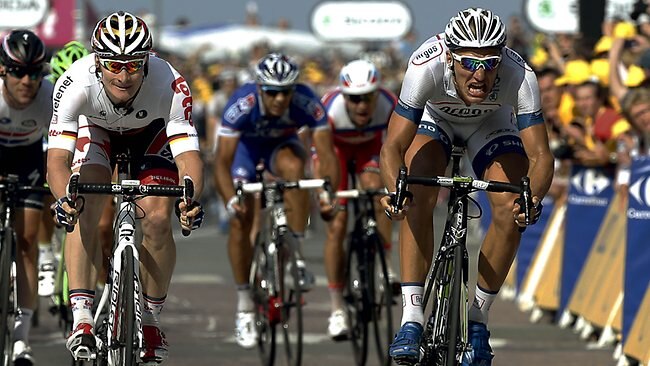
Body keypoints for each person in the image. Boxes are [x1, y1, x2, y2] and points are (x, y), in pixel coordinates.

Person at [379, 8, 554, 366]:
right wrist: (395, 191)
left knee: (510, 206)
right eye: (469, 63)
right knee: (416, 192)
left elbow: (541, 155)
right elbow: (392, 147)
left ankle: (478, 319)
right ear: (448, 56)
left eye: (490, 63)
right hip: (435, 120)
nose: (480, 75)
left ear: (501, 57)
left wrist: (530, 199)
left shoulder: (519, 74)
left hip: (491, 123)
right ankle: (412, 318)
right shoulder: (423, 66)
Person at [46, 11, 204, 364]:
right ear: (98, 62)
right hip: (97, 131)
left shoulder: (171, 83)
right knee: (83, 203)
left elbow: (189, 157)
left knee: (159, 217)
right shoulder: (74, 83)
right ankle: (83, 317)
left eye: (133, 65)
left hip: (151, 136)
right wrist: (63, 199)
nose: (123, 75)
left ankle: (149, 318)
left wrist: (190, 196)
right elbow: (57, 159)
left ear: (146, 61)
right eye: (114, 65)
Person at [214, 52, 339, 349]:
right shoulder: (241, 104)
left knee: (296, 169)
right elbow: (221, 161)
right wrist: (231, 200)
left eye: (286, 92)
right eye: (272, 92)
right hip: (246, 152)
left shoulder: (306, 101)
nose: (280, 99)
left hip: (281, 147)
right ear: (259, 89)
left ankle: (294, 251)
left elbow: (326, 153)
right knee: (242, 221)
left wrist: (326, 193)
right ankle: (244, 303)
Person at [316, 59, 397, 340]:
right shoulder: (329, 109)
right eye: (355, 99)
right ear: (344, 97)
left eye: (368, 98)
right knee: (337, 224)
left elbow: (399, 145)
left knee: (379, 191)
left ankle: (384, 263)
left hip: (369, 149)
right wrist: (325, 194)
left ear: (378, 93)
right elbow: (322, 156)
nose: (363, 106)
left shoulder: (390, 103)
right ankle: (337, 308)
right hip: (335, 151)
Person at [0, 29, 53, 366]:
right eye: (18, 71)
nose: (26, 81)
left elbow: (68, 147)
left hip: (29, 157)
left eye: (35, 72)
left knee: (28, 242)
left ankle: (21, 339)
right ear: (3, 70)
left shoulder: (49, 97)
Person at [37, 40, 91, 299]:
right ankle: (46, 251)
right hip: (50, 141)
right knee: (43, 187)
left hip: (85, 142)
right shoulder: (47, 91)